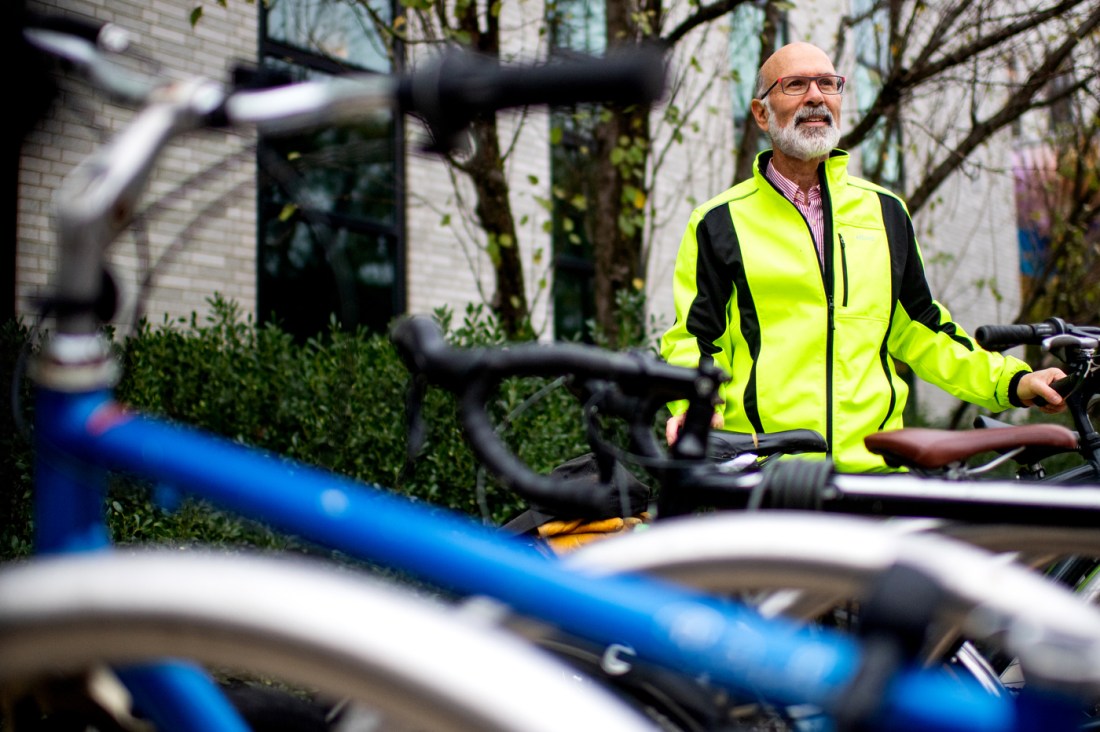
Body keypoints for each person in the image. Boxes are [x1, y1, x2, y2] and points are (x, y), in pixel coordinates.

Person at [660, 41, 1066, 473]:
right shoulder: (718, 221)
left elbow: (924, 331)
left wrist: (1015, 380)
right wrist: (694, 406)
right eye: (795, 84)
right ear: (762, 113)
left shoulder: (886, 211)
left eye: (828, 84)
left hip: (876, 475)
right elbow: (694, 339)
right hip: (766, 473)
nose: (816, 96)